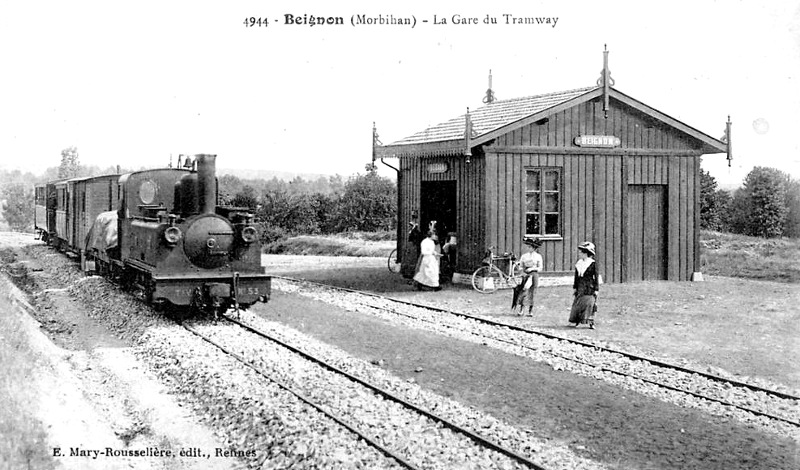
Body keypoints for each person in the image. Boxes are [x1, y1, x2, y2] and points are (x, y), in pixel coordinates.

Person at [569, 241, 599, 328]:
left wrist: (596, 289)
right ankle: (577, 321)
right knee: (579, 303)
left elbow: (596, 277)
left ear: (586, 253)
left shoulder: (592, 263)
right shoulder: (579, 263)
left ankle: (590, 322)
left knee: (589, 303)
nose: (579, 253)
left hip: (589, 286)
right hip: (580, 286)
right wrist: (575, 287)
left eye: (581, 252)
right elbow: (576, 277)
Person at [513, 237, 543, 315]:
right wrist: (521, 271)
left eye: (530, 247)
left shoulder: (538, 256)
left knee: (532, 292)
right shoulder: (524, 256)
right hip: (525, 275)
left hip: (534, 275)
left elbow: (540, 268)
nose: (528, 248)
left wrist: (533, 269)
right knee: (523, 291)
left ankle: (531, 310)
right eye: (528, 247)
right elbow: (520, 266)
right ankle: (521, 309)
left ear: (534, 248)